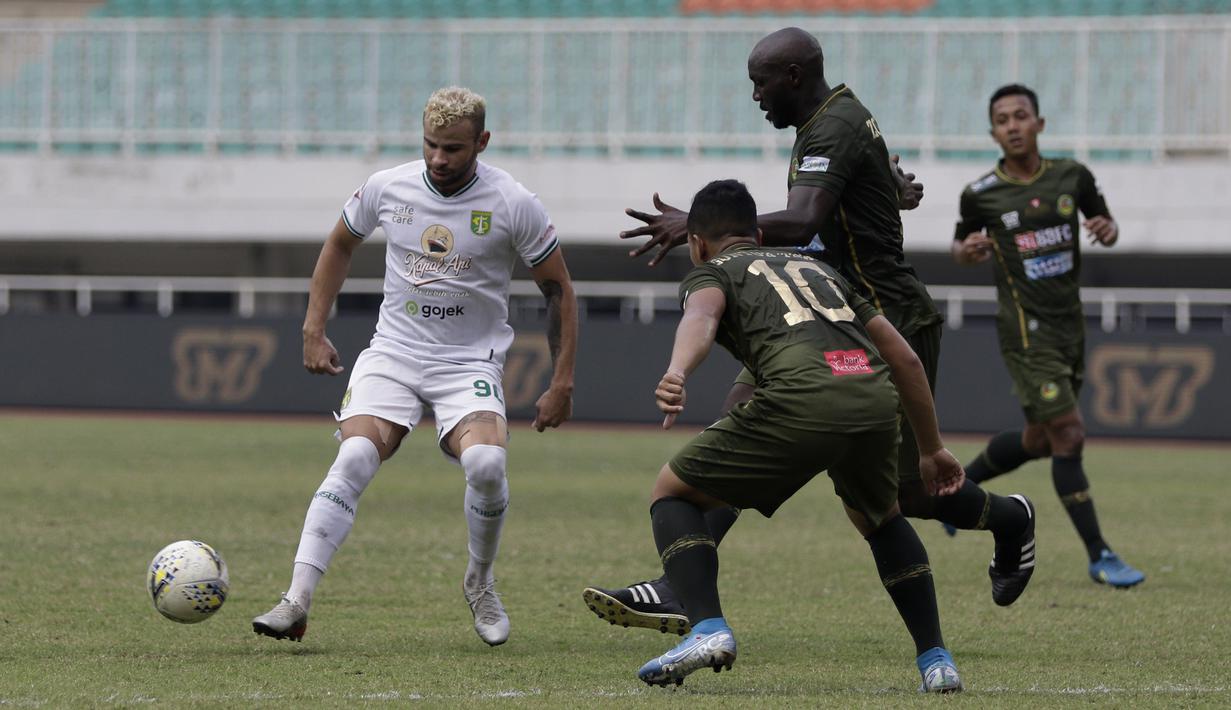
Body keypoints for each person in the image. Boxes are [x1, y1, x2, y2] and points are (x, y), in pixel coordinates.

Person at [585, 27, 1035, 633]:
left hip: (884, 316)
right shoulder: (830, 123)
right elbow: (854, 189)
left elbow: (801, 221)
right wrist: (889, 185)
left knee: (905, 499)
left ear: (793, 76)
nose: (755, 96)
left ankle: (1009, 519)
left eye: (760, 83)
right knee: (744, 416)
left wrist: (702, 222)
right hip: (822, 315)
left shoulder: (834, 125)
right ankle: (681, 583)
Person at [252, 86, 579, 646]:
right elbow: (338, 245)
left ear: (482, 141)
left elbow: (559, 290)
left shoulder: (512, 202)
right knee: (354, 454)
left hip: (467, 362)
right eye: (430, 145)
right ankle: (296, 599)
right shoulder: (387, 187)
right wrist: (313, 328)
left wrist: (562, 380)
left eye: (453, 149)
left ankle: (479, 581)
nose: (438, 159)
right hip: (394, 354)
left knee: (486, 468)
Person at [632, 179, 965, 691]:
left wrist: (677, 371)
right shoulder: (821, 270)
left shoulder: (713, 271)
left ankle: (706, 628)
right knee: (880, 519)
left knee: (671, 493)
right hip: (870, 396)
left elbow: (702, 316)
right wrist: (932, 447)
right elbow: (906, 358)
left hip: (799, 397)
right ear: (760, 233)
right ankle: (937, 660)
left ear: (696, 243)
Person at [951, 84, 1144, 588]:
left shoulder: (1071, 176)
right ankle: (1100, 554)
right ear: (992, 132)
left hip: (1068, 326)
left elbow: (1105, 222)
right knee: (1070, 434)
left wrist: (1108, 230)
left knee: (1040, 439)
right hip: (1025, 331)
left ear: (1040, 123)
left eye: (1021, 116)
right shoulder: (980, 194)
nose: (1012, 125)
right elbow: (961, 247)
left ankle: (955, 494)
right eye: (1002, 119)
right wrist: (968, 251)